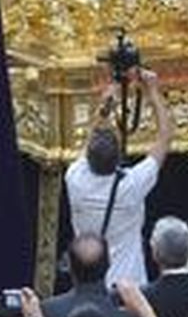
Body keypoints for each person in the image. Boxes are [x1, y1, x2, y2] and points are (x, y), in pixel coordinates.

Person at [65, 69, 173, 285]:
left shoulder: (75, 179)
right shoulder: (132, 184)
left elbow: (90, 138)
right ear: (119, 159)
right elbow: (165, 137)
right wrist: (152, 91)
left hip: (88, 282)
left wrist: (108, 101)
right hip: (129, 283)